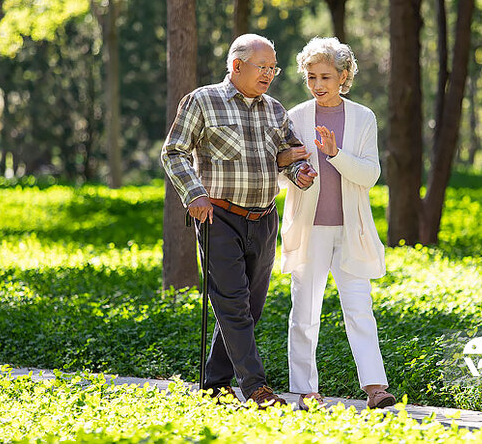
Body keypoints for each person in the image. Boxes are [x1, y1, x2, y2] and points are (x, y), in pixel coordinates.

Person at [161, 33, 317, 409]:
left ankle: (214, 384)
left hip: (263, 219)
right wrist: (193, 193)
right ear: (237, 66)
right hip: (219, 216)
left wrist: (301, 172)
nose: (269, 74)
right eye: (262, 67)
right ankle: (256, 388)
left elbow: (289, 155)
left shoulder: (274, 109)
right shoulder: (202, 101)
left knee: (250, 307)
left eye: (273, 68)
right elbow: (174, 152)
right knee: (232, 305)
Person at [278, 37, 395, 410]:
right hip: (308, 229)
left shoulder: (363, 118)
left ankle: (375, 387)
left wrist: (335, 154)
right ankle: (305, 389)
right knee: (305, 311)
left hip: (351, 230)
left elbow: (370, 174)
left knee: (359, 308)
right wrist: (295, 172)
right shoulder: (295, 117)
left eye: (325, 76)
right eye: (311, 77)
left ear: (344, 76)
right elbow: (282, 173)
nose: (317, 85)